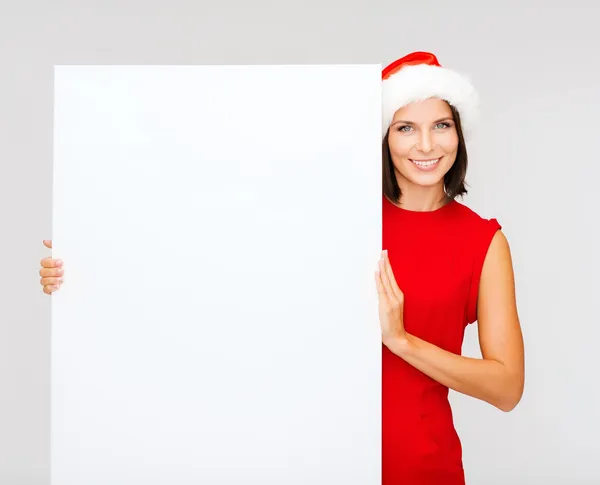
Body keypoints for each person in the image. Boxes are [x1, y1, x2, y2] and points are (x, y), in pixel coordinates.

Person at [39, 51, 524, 484]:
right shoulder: (334, 217)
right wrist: (89, 260)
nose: (425, 145)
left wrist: (400, 340)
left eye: (441, 125)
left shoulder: (483, 241)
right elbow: (209, 269)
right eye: (405, 127)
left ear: (459, 132)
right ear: (381, 136)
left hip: (421, 467)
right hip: (310, 459)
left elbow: (506, 387)